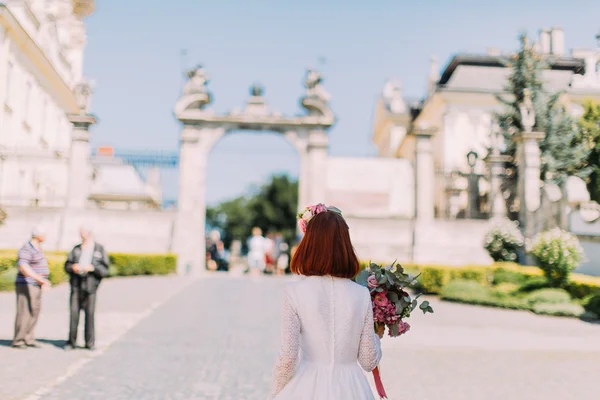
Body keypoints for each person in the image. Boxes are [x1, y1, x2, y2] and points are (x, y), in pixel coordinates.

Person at [270, 205, 384, 399]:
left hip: (308, 385)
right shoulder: (361, 294)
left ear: (309, 245)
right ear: (345, 245)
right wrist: (377, 334)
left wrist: (275, 392)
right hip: (352, 387)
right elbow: (367, 360)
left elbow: (288, 357)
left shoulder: (294, 292)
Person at [64, 227, 109, 350]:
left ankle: (89, 342)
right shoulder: (76, 249)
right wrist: (73, 267)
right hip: (76, 285)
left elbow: (105, 269)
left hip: (90, 287)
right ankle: (71, 342)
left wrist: (93, 268)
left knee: (90, 315)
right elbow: (67, 265)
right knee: (74, 315)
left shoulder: (99, 249)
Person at [12, 227, 51, 349]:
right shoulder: (27, 248)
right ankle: (19, 339)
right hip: (27, 284)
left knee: (34, 311)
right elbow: (23, 266)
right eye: (44, 234)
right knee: (25, 312)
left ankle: (28, 337)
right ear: (38, 236)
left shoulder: (37, 248)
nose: (45, 237)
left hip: (36, 285)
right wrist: (38, 278)